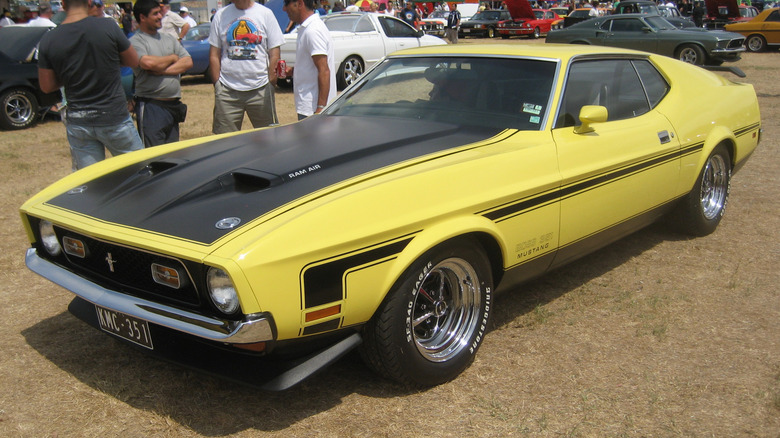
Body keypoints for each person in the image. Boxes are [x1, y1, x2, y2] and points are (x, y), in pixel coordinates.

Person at [37, 0, 143, 171]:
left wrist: (71, 75)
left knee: (92, 183)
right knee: (139, 173)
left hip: (79, 120)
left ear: (63, 4)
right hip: (113, 115)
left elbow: (47, 86)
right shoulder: (108, 26)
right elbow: (133, 60)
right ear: (88, 2)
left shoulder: (49, 39)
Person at [208, 0, 284, 133]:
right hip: (227, 91)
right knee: (224, 142)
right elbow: (214, 54)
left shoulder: (265, 14)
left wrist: (271, 82)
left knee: (269, 139)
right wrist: (218, 85)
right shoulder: (220, 16)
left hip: (261, 89)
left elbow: (274, 51)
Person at [131, 0, 192, 147]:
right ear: (142, 17)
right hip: (152, 106)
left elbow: (188, 62)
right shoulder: (136, 41)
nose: (160, 16)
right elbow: (148, 63)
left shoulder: (169, 39)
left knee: (172, 155)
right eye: (155, 14)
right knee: (153, 157)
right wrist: (172, 58)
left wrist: (162, 70)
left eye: (160, 12)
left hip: (173, 106)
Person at [283, 0, 336, 119]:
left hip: (312, 108)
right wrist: (293, 71)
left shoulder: (313, 31)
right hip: (308, 106)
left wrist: (320, 108)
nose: (284, 9)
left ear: (300, 4)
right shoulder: (307, 28)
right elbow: (313, 65)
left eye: (287, 4)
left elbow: (324, 70)